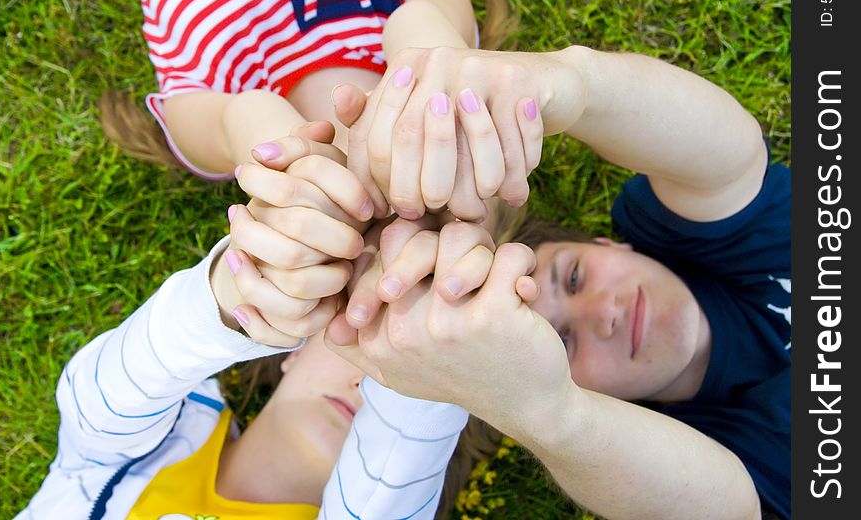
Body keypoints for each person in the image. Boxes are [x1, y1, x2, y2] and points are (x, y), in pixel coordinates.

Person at [317, 43, 790, 520]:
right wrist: (546, 411)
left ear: (609, 244)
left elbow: (731, 161)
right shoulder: (703, 457)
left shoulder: (685, 232)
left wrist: (563, 82)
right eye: (563, 343)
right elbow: (734, 510)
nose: (603, 313)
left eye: (576, 277)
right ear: (587, 393)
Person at [15, 129, 511, 520]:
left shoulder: (397, 470)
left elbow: (392, 484)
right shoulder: (136, 455)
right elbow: (103, 398)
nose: (365, 380)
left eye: (392, 374)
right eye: (362, 325)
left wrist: (427, 371)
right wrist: (239, 291)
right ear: (295, 351)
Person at [102, 0, 540, 217]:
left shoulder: (221, 97)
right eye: (451, 169)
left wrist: (296, 174)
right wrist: (436, 95)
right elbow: (429, 34)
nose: (402, 193)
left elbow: (238, 119)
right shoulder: (426, 32)